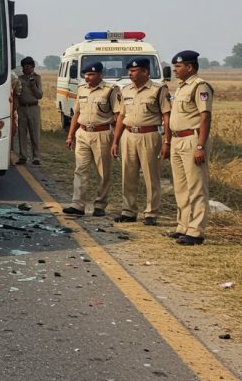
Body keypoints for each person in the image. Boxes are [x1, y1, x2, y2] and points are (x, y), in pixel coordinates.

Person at [109, 57, 172, 226]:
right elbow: (121, 116)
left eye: (134, 71)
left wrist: (167, 141)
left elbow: (167, 116)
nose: (130, 74)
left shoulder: (158, 90)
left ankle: (151, 212)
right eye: (129, 71)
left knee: (151, 176)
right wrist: (115, 141)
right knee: (128, 175)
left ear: (145, 71)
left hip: (149, 135)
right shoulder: (126, 90)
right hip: (128, 135)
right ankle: (128, 211)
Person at [167, 50, 214, 245]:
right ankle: (183, 225)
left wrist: (200, 146)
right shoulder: (180, 87)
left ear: (190, 67)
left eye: (178, 66)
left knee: (196, 186)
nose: (175, 70)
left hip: (192, 140)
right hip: (177, 140)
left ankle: (196, 231)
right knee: (181, 186)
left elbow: (205, 117)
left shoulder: (200, 86)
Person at [63, 61, 120, 217]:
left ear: (100, 75)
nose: (87, 78)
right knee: (80, 169)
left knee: (103, 171)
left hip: (101, 134)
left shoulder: (110, 90)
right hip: (82, 133)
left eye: (91, 74)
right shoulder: (81, 89)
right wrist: (70, 134)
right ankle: (77, 204)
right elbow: (76, 113)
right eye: (85, 75)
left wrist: (116, 140)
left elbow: (118, 115)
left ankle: (100, 204)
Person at [15, 57, 43, 165]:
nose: (25, 68)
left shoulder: (37, 78)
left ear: (32, 67)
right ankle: (23, 156)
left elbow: (40, 95)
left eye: (28, 66)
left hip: (33, 108)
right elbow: (16, 94)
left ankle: (36, 157)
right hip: (22, 108)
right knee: (22, 133)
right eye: (24, 66)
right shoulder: (19, 79)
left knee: (34, 133)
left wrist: (33, 87)